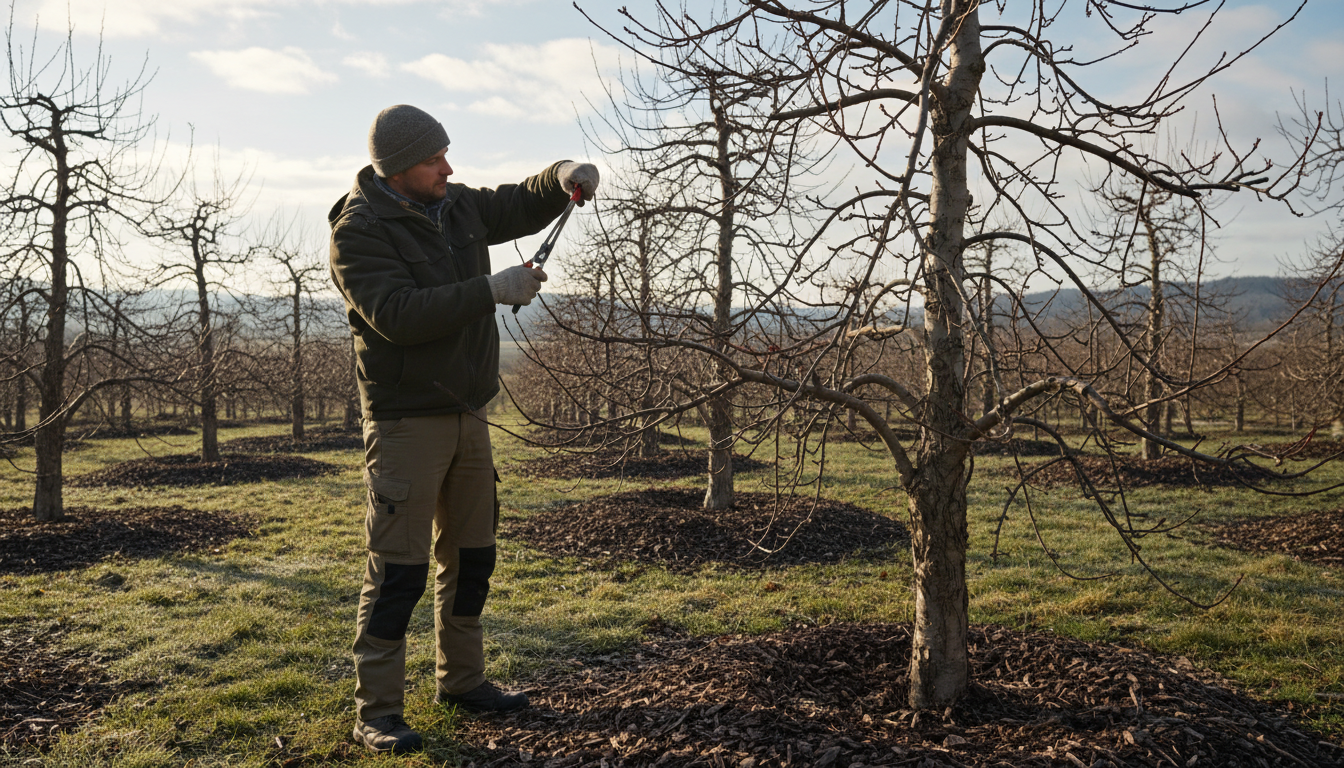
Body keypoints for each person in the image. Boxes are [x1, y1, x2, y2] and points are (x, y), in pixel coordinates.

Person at [328, 104, 599, 754]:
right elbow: (396, 314)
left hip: (469, 412)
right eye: (433, 159)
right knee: (398, 572)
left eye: (447, 154)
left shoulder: (457, 204)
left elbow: (522, 201)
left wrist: (566, 173)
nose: (448, 167)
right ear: (397, 170)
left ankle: (463, 680)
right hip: (404, 422)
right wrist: (491, 289)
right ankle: (378, 712)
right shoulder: (358, 231)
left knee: (472, 556)